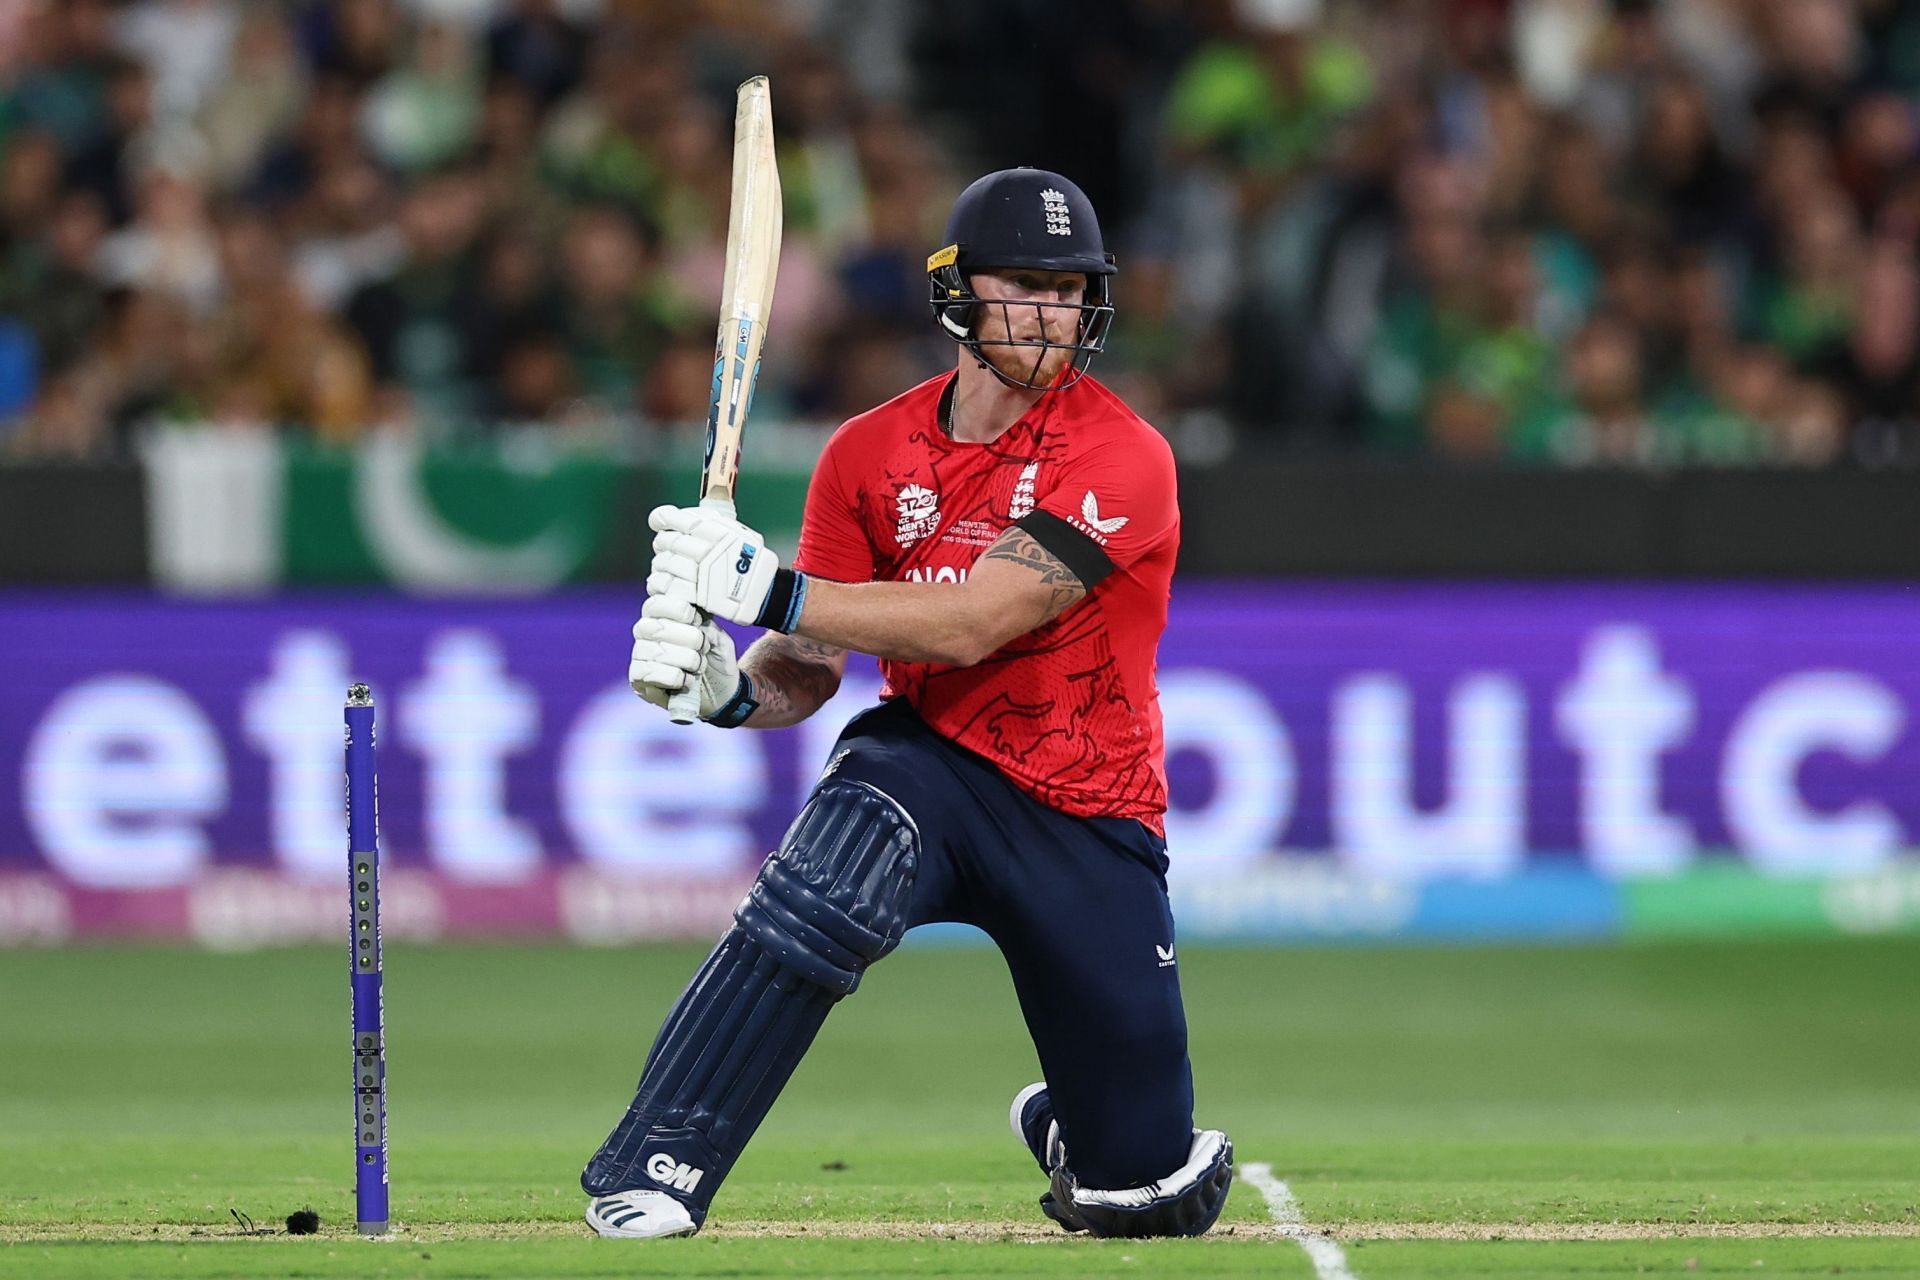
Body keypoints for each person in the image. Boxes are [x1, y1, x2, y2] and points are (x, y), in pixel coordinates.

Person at [581, 168, 1234, 1240]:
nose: (1052, 311)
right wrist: (729, 691)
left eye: (1070, 288)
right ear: (958, 293)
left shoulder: (1125, 454)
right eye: (1024, 282)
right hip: (933, 761)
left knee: (1144, 1194)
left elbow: (981, 618)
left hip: (1088, 809)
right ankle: (662, 1160)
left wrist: (767, 588)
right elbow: (812, 660)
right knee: (827, 876)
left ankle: (1091, 1127)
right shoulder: (866, 454)